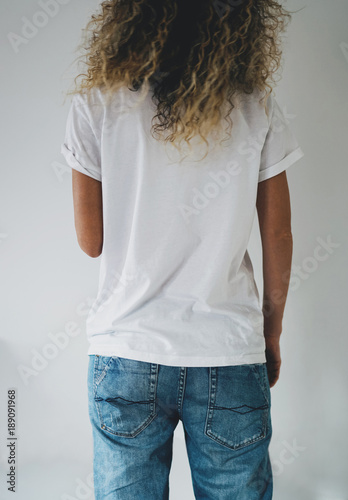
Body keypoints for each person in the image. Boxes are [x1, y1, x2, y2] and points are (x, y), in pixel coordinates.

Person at [61, 1, 304, 498]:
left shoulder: (96, 105)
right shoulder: (254, 104)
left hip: (125, 349)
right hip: (228, 350)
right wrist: (271, 329)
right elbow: (278, 236)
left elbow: (91, 243)